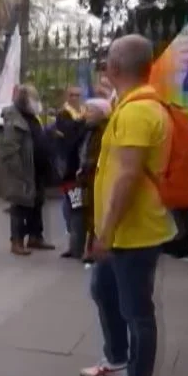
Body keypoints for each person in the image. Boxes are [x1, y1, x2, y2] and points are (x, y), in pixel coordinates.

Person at [79, 34, 176, 376]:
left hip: (133, 232)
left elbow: (128, 177)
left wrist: (105, 231)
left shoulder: (137, 112)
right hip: (122, 230)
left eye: (107, 61)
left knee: (137, 310)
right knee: (103, 290)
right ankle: (117, 359)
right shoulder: (135, 105)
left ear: (114, 67)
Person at [0, 84, 57, 256]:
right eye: (34, 99)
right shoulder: (14, 119)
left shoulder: (32, 117)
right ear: (25, 100)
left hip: (36, 170)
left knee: (36, 204)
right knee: (19, 206)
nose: (37, 103)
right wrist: (19, 172)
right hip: (23, 171)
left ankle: (35, 237)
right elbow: (9, 149)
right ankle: (16, 241)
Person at [77, 98, 112, 265]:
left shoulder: (103, 131)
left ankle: (92, 250)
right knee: (87, 213)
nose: (87, 114)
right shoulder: (90, 130)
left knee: (95, 214)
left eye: (90, 111)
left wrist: (87, 165)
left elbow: (100, 155)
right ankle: (86, 248)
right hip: (87, 178)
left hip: (95, 178)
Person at [56, 86, 89, 260]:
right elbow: (71, 137)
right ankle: (74, 245)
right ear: (66, 96)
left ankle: (76, 246)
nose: (75, 98)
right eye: (72, 95)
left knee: (76, 209)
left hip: (80, 172)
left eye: (78, 95)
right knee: (71, 209)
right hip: (70, 170)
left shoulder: (85, 114)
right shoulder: (64, 115)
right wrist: (83, 124)